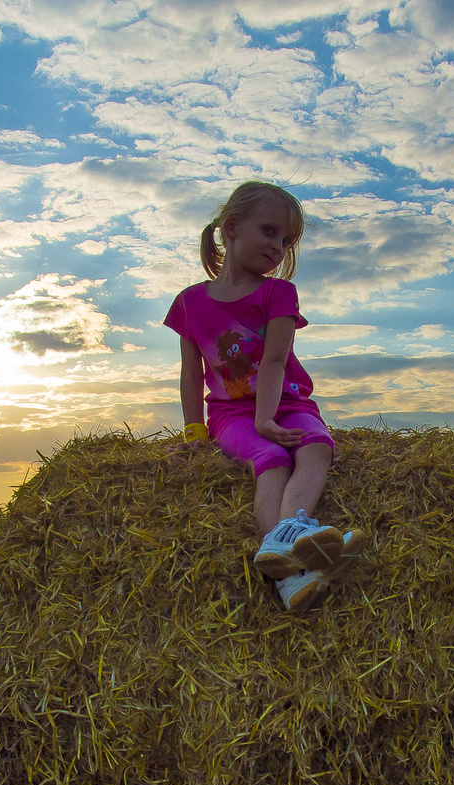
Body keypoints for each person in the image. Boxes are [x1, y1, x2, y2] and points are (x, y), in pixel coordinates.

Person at [164, 181, 364, 612]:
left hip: (289, 403)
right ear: (231, 228)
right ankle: (294, 567)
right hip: (231, 416)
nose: (278, 247)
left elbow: (274, 360)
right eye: (270, 231)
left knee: (317, 446)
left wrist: (268, 416)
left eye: (287, 241)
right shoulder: (188, 303)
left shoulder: (279, 293)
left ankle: (290, 536)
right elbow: (190, 373)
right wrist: (195, 431)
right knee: (270, 462)